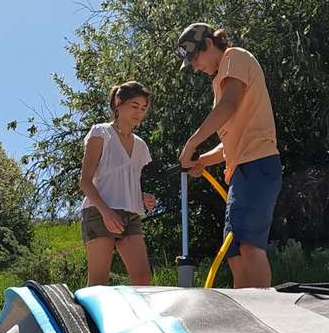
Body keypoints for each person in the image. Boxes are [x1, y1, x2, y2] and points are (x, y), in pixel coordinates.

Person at [176, 22, 282, 289]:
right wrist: (200, 161)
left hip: (257, 164)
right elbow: (228, 146)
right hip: (241, 171)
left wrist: (191, 144)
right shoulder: (219, 79)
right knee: (234, 253)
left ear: (209, 44)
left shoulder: (235, 57)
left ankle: (265, 315)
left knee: (248, 247)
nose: (195, 66)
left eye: (195, 58)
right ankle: (247, 317)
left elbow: (229, 105)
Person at [79, 81, 157, 286]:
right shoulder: (100, 133)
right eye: (134, 106)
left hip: (131, 215)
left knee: (143, 279)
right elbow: (85, 182)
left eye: (143, 108)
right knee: (98, 282)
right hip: (99, 212)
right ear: (118, 103)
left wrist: (142, 197)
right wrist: (106, 212)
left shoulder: (141, 146)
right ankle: (86, 319)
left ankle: (140, 319)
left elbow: (126, 183)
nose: (139, 112)